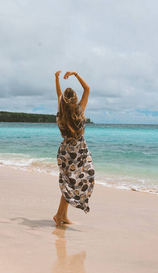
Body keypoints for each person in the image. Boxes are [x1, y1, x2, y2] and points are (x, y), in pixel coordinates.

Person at [53, 70, 95, 227]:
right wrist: (76, 75)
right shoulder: (79, 111)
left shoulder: (61, 113)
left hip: (65, 150)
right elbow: (87, 89)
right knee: (81, 179)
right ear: (75, 99)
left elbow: (58, 94)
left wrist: (57, 78)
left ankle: (62, 215)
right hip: (77, 151)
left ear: (63, 100)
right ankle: (59, 215)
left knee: (69, 182)